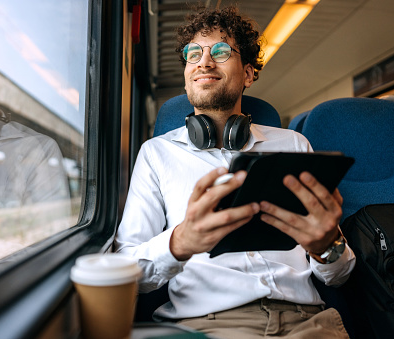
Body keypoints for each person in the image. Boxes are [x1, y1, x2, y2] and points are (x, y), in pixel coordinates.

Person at [114, 6, 355, 339]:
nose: (204, 62)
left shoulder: (294, 145)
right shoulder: (156, 155)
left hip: (309, 322)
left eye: (221, 51)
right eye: (193, 53)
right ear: (186, 74)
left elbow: (338, 276)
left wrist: (327, 246)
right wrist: (180, 243)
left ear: (249, 73)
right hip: (211, 326)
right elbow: (124, 273)